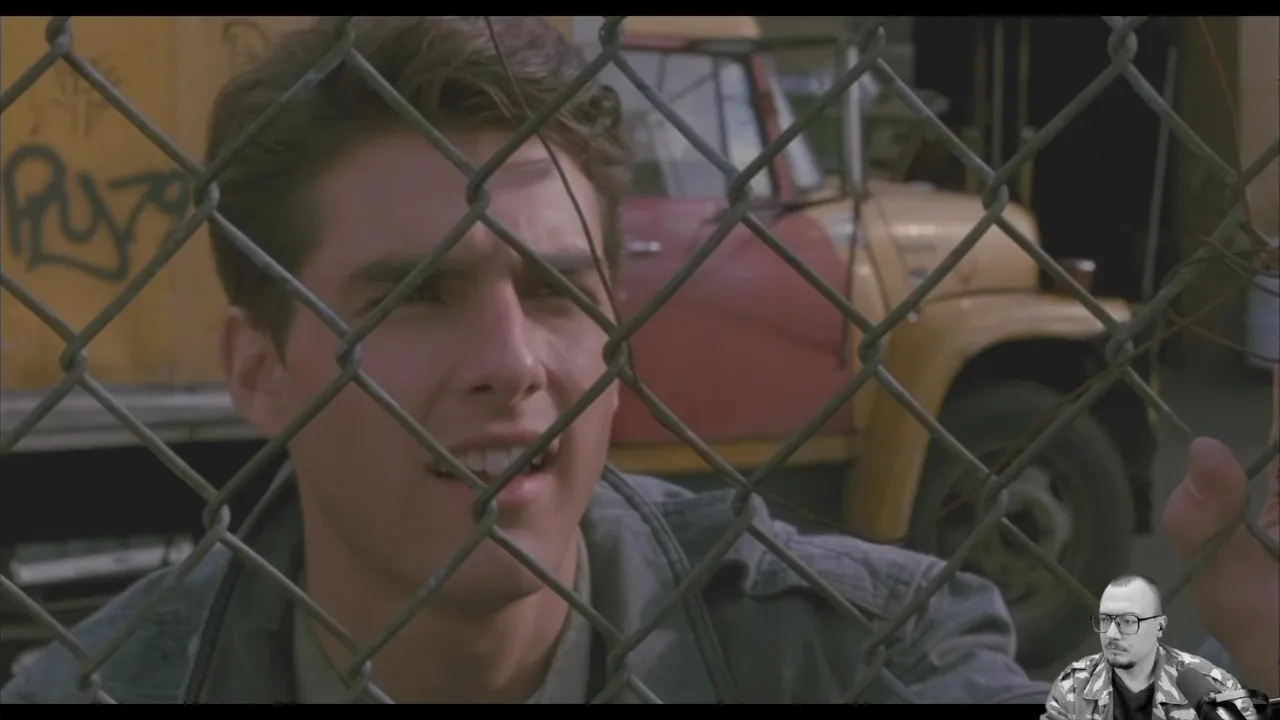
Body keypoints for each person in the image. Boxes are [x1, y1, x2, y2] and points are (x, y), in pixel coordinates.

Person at [2, 17, 1276, 705]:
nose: (510, 364)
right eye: (415, 297)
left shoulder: (851, 654)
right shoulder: (100, 688)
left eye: (554, 288)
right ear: (260, 369)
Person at [1042, 575, 1258, 719]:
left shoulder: (1212, 685)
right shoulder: (1073, 686)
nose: (1111, 634)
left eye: (1128, 621)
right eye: (1105, 620)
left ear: (1159, 626)